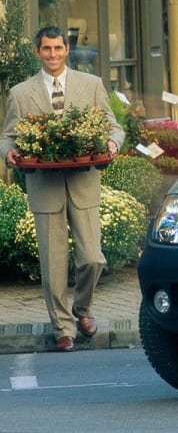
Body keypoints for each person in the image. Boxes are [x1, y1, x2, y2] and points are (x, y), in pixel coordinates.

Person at [0, 25, 124, 352]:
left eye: (58, 48)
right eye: (46, 49)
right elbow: (7, 137)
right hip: (44, 187)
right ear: (37, 52)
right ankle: (62, 328)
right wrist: (8, 152)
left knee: (92, 258)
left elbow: (113, 126)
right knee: (53, 266)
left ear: (67, 50)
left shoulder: (92, 85)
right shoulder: (21, 93)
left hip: (84, 183)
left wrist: (112, 142)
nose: (52, 55)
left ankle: (82, 309)